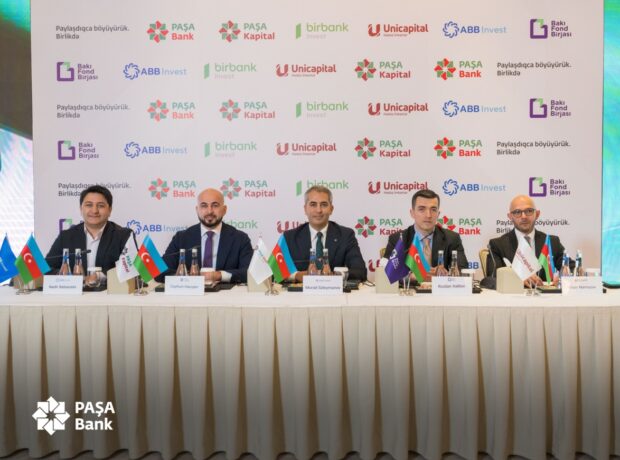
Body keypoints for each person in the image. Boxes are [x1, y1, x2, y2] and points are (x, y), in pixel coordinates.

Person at [156, 188, 252, 284]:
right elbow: (160, 271)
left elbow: (248, 273)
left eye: (215, 205)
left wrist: (219, 275)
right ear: (197, 210)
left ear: (224, 210)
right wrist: (189, 277)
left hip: (225, 292)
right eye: (204, 206)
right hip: (189, 291)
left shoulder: (240, 239)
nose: (209, 211)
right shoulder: (181, 238)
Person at [284, 185, 367, 282]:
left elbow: (360, 271)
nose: (318, 210)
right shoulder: (289, 237)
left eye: (323, 205)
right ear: (305, 209)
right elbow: (274, 273)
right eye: (313, 204)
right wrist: (297, 275)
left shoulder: (346, 235)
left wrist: (333, 275)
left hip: (334, 291)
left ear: (331, 209)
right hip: (301, 291)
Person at [46, 185, 134, 274]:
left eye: (101, 206)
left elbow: (131, 271)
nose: (94, 210)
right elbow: (47, 268)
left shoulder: (124, 236)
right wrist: (68, 276)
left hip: (109, 284)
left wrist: (100, 277)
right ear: (81, 209)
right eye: (89, 205)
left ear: (110, 210)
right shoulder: (66, 236)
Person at [383, 189, 469, 279]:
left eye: (433, 210)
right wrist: (412, 277)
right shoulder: (398, 239)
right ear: (412, 213)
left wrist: (445, 275)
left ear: (438, 214)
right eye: (421, 209)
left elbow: (463, 271)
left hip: (441, 287)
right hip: (411, 288)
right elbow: (387, 274)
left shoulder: (452, 238)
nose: (428, 215)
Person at [486, 194, 564, 286]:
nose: (524, 216)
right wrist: (518, 279)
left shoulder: (552, 242)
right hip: (513, 294)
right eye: (517, 212)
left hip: (547, 294)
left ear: (537, 214)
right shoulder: (497, 245)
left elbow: (570, 269)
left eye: (529, 211)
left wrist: (562, 277)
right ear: (510, 216)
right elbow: (492, 278)